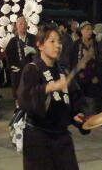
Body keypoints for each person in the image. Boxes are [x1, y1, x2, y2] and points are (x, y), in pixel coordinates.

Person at [17, 25, 89, 170]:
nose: (58, 46)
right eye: (52, 41)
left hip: (62, 137)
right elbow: (24, 99)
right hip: (38, 138)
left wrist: (77, 115)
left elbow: (75, 99)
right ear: (40, 45)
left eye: (59, 42)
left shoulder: (63, 71)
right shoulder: (32, 69)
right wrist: (48, 87)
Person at [69, 21, 102, 113]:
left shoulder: (94, 43)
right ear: (82, 31)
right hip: (80, 75)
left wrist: (96, 74)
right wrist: (78, 72)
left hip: (92, 75)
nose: (90, 31)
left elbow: (97, 60)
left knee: (97, 95)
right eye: (87, 29)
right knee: (78, 97)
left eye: (91, 29)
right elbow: (73, 61)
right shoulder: (76, 44)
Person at [6, 17, 37, 102]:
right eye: (20, 24)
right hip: (18, 73)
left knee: (31, 94)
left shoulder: (33, 38)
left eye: (24, 23)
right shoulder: (13, 41)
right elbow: (8, 56)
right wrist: (12, 66)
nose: (23, 25)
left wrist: (34, 50)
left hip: (31, 71)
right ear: (16, 26)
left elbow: (41, 52)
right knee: (18, 94)